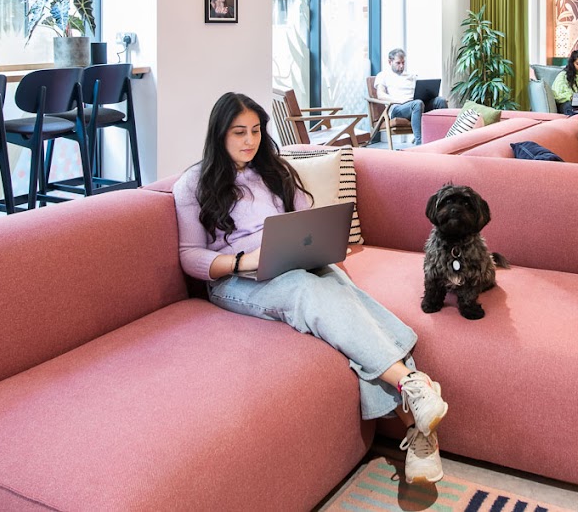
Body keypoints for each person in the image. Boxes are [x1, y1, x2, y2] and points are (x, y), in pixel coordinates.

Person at [172, 92, 449, 484]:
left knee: (342, 291)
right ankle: (413, 386)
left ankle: (419, 430)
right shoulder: (193, 183)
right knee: (308, 289)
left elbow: (305, 223)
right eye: (239, 133)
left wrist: (320, 249)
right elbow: (189, 255)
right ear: (218, 135)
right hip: (234, 281)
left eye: (255, 131)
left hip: (289, 264)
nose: (250, 141)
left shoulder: (274, 171)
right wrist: (240, 261)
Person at [374, 48, 447, 145]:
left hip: (417, 105)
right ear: (389, 62)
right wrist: (399, 101)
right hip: (398, 109)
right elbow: (380, 95)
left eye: (403, 63)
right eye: (398, 63)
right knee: (417, 103)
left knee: (440, 101)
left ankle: (445, 140)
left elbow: (421, 90)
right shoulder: (383, 75)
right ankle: (420, 143)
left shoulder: (411, 75)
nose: (401, 66)